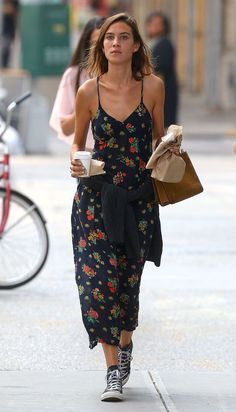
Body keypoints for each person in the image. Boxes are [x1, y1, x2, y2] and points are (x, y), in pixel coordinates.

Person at [70, 13, 179, 402]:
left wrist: (171, 147)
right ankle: (112, 370)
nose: (115, 43)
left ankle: (126, 345)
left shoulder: (153, 87)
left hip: (138, 200)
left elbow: (157, 137)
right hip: (95, 200)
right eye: (108, 38)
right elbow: (78, 143)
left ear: (136, 46)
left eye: (123, 37)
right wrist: (76, 161)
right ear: (102, 47)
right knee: (98, 284)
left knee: (127, 286)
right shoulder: (87, 91)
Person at [49, 16, 105, 150]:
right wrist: (86, 105)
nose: (101, 48)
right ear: (86, 45)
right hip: (87, 154)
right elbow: (65, 128)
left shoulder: (127, 76)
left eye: (106, 40)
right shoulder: (74, 76)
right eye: (94, 43)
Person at [146, 11, 178, 128]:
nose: (153, 27)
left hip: (164, 90)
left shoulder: (165, 43)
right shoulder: (152, 42)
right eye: (151, 24)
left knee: (163, 124)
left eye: (157, 24)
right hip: (156, 90)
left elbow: (160, 65)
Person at [1, 0, 19, 68]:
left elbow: (16, 15)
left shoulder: (14, 3)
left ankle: (6, 66)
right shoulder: (6, 3)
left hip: (10, 29)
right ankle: (4, 66)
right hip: (6, 30)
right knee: (6, 47)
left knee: (8, 48)